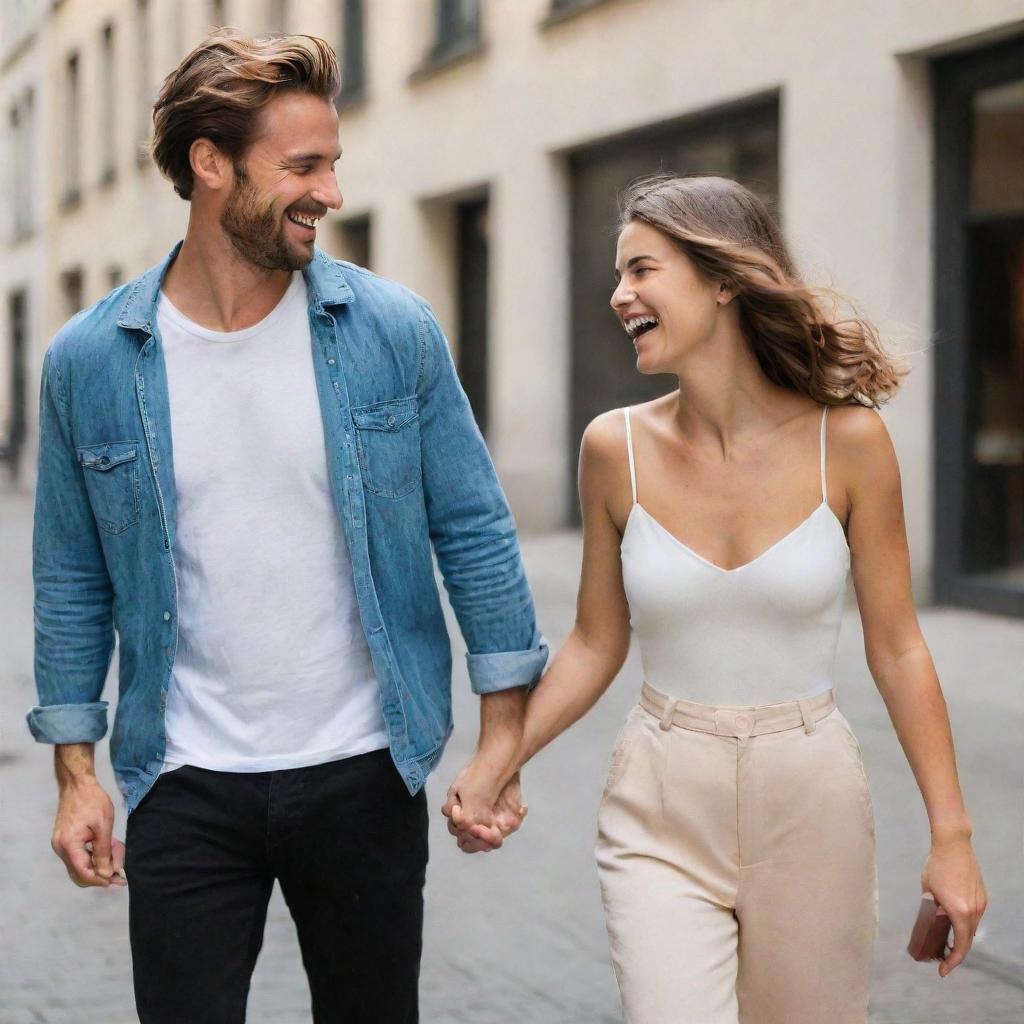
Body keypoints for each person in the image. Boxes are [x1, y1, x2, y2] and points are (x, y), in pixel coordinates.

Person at [28, 29, 546, 1024]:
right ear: (210, 165)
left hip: (363, 767)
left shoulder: (392, 332)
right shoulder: (91, 360)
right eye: (304, 166)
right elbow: (70, 576)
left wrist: (500, 742)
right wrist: (76, 771)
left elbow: (475, 532)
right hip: (183, 779)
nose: (330, 192)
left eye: (333, 164)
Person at [444, 175, 987, 1023]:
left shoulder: (848, 443)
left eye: (643, 269)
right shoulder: (613, 448)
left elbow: (899, 646)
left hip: (812, 800)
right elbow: (594, 642)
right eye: (619, 275)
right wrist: (500, 758)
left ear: (724, 278)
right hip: (660, 796)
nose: (620, 294)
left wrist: (951, 839)